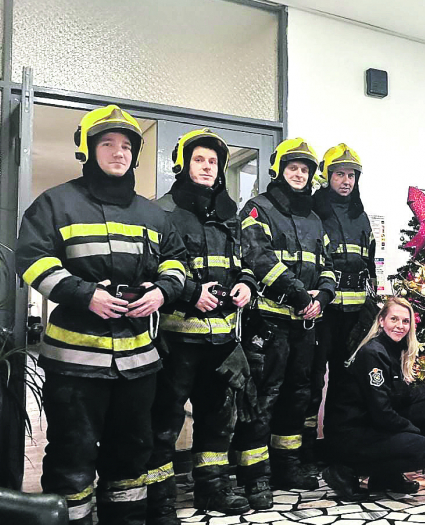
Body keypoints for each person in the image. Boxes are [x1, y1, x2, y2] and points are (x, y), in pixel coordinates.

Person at [16, 105, 187, 525]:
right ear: (87, 150)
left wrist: (162, 293)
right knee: (72, 452)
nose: (118, 153)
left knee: (132, 451)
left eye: (127, 146)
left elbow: (176, 262)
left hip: (138, 361)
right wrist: (84, 295)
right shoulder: (56, 203)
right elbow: (32, 260)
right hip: (74, 362)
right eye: (107, 144)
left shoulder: (153, 214)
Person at [146, 129, 256, 523]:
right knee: (165, 420)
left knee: (216, 419)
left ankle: (212, 489)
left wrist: (246, 284)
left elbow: (244, 263)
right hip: (177, 339)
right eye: (199, 160)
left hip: (222, 338)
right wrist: (191, 292)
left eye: (213, 161)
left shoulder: (230, 213)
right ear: (183, 164)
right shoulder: (162, 211)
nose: (207, 167)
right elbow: (152, 270)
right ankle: (159, 499)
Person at [234, 138, 336, 507]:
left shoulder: (313, 219)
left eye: (305, 169)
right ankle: (254, 476)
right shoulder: (257, 209)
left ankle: (286, 465)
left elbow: (328, 267)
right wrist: (299, 296)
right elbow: (258, 259)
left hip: (305, 326)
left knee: (298, 396)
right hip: (269, 323)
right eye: (293, 167)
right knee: (264, 398)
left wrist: (322, 297)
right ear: (279, 170)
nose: (299, 174)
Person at [322, 297, 425, 501]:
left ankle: (385, 477)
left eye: (405, 321)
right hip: (352, 433)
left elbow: (404, 396)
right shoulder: (373, 353)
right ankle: (345, 470)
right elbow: (381, 412)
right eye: (394, 319)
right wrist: (414, 432)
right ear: (381, 321)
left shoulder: (391, 349)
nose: (400, 326)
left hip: (370, 424)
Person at [306, 143, 376, 466]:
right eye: (339, 175)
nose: (346, 181)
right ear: (327, 175)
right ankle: (305, 448)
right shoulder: (314, 209)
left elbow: (370, 262)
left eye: (351, 175)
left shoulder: (360, 215)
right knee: (314, 376)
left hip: (356, 313)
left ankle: (337, 441)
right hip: (327, 311)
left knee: (346, 379)